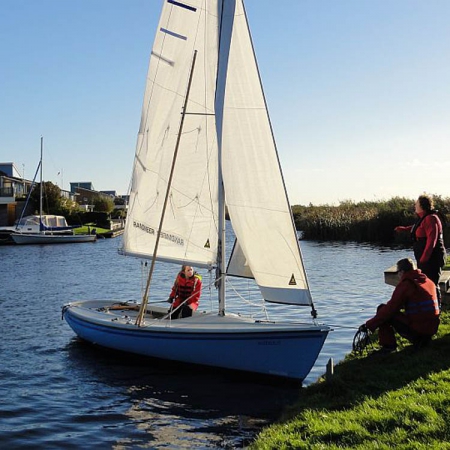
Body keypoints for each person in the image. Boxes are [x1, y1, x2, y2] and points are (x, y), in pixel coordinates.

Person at [359, 258, 440, 353]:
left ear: (402, 272)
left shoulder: (406, 284)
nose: (398, 275)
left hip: (419, 329)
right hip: (432, 328)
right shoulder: (428, 281)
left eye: (398, 272)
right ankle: (423, 340)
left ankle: (388, 346)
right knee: (387, 311)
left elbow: (390, 309)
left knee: (382, 309)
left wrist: (369, 325)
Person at [395, 194, 446, 302]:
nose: (415, 205)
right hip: (425, 258)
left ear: (422, 205)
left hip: (432, 258)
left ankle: (436, 308)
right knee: (427, 282)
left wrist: (424, 259)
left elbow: (432, 241)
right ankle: (429, 305)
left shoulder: (431, 219)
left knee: (432, 283)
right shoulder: (424, 218)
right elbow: (417, 228)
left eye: (416, 204)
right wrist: (404, 229)